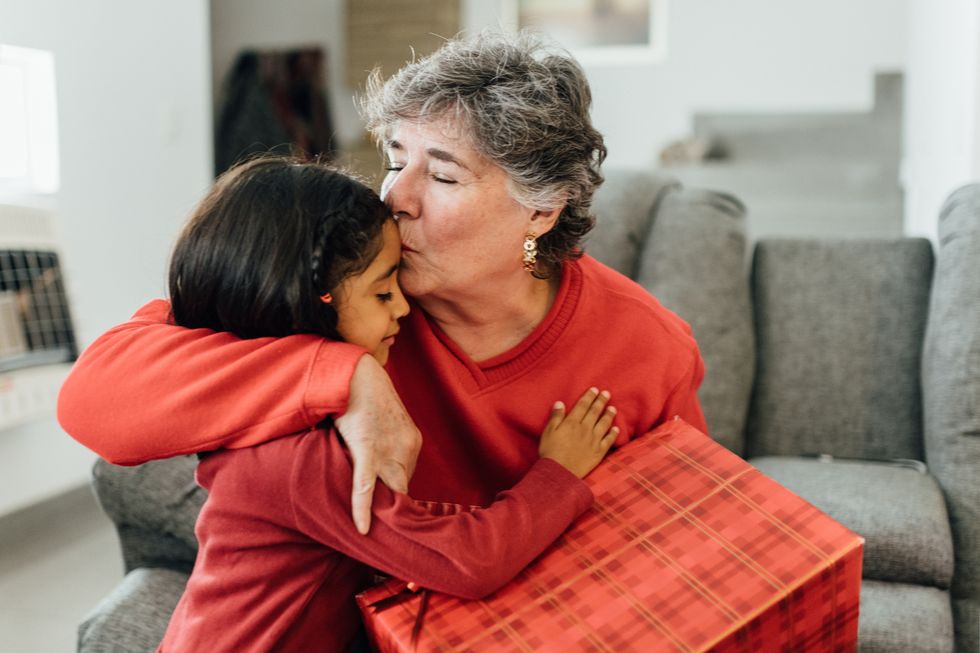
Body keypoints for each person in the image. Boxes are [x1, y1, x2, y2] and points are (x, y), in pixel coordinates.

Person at [58, 30, 707, 535]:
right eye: (395, 160)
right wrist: (345, 377)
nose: (396, 197)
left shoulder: (645, 347)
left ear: (541, 209)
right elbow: (93, 402)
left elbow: (689, 535)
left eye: (443, 176)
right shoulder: (346, 290)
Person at [148, 156, 618, 652]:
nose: (402, 306)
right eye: (381, 292)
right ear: (310, 303)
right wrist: (558, 472)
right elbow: (468, 561)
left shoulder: (285, 415)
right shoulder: (299, 458)